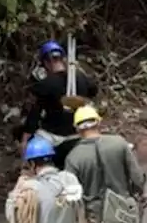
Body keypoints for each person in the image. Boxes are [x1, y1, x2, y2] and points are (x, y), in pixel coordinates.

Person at [64, 105, 147, 223]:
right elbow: (137, 177)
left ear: (77, 129)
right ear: (99, 122)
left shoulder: (73, 157)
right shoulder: (119, 143)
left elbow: (72, 196)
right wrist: (141, 195)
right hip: (124, 205)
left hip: (98, 212)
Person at [19, 40, 99, 169]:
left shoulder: (44, 85)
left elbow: (34, 114)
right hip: (79, 131)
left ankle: (31, 173)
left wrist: (25, 140)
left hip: (55, 136)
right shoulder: (82, 78)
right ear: (63, 59)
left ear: (46, 63)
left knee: (33, 145)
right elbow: (93, 91)